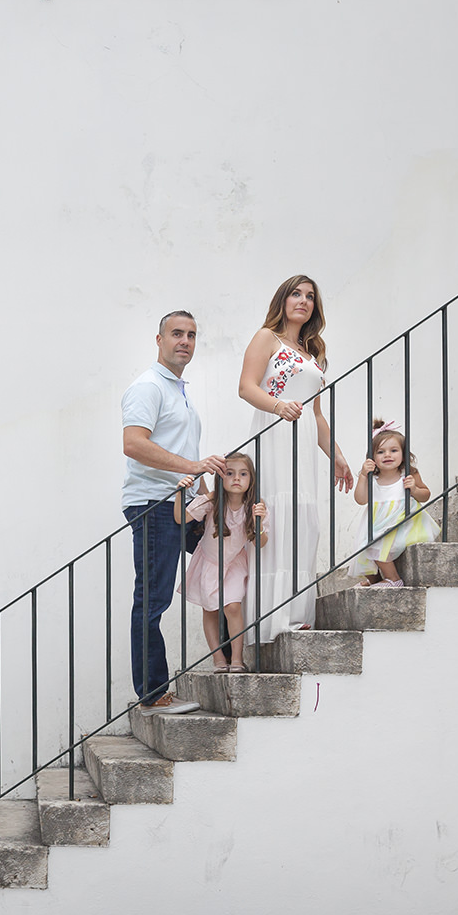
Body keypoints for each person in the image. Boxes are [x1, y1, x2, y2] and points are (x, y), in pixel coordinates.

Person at [237, 276, 353, 642]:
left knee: (306, 523)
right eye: (296, 294)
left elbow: (315, 415)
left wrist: (337, 455)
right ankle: (271, 622)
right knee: (277, 521)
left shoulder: (313, 353)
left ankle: (297, 615)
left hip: (302, 444)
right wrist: (278, 406)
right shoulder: (266, 338)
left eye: (310, 297)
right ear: (283, 300)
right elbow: (246, 387)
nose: (303, 300)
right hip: (273, 438)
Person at [122, 311, 226, 711]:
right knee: (152, 600)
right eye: (177, 334)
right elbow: (133, 444)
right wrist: (193, 468)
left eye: (192, 335)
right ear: (159, 339)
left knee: (231, 554)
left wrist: (209, 499)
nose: (185, 341)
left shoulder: (178, 390)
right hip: (155, 506)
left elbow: (186, 453)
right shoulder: (148, 387)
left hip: (182, 504)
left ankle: (230, 654)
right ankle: (152, 693)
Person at [176, 452, 268, 673]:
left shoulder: (255, 505)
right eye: (230, 473)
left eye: (243, 474)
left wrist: (259, 522)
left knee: (233, 606)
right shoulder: (213, 499)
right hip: (208, 561)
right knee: (210, 609)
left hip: (235, 562)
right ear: (221, 476)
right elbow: (181, 518)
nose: (237, 478)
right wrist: (181, 492)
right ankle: (218, 658)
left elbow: (261, 543)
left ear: (251, 479)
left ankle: (237, 658)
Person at [351, 418, 439, 587]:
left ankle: (393, 579)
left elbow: (425, 495)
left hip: (403, 525)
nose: (388, 455)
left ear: (404, 453)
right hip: (379, 524)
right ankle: (375, 581)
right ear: (372, 457)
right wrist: (363, 476)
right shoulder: (372, 479)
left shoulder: (408, 474)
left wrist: (414, 489)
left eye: (393, 450)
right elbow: (360, 499)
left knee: (376, 544)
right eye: (380, 452)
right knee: (364, 549)